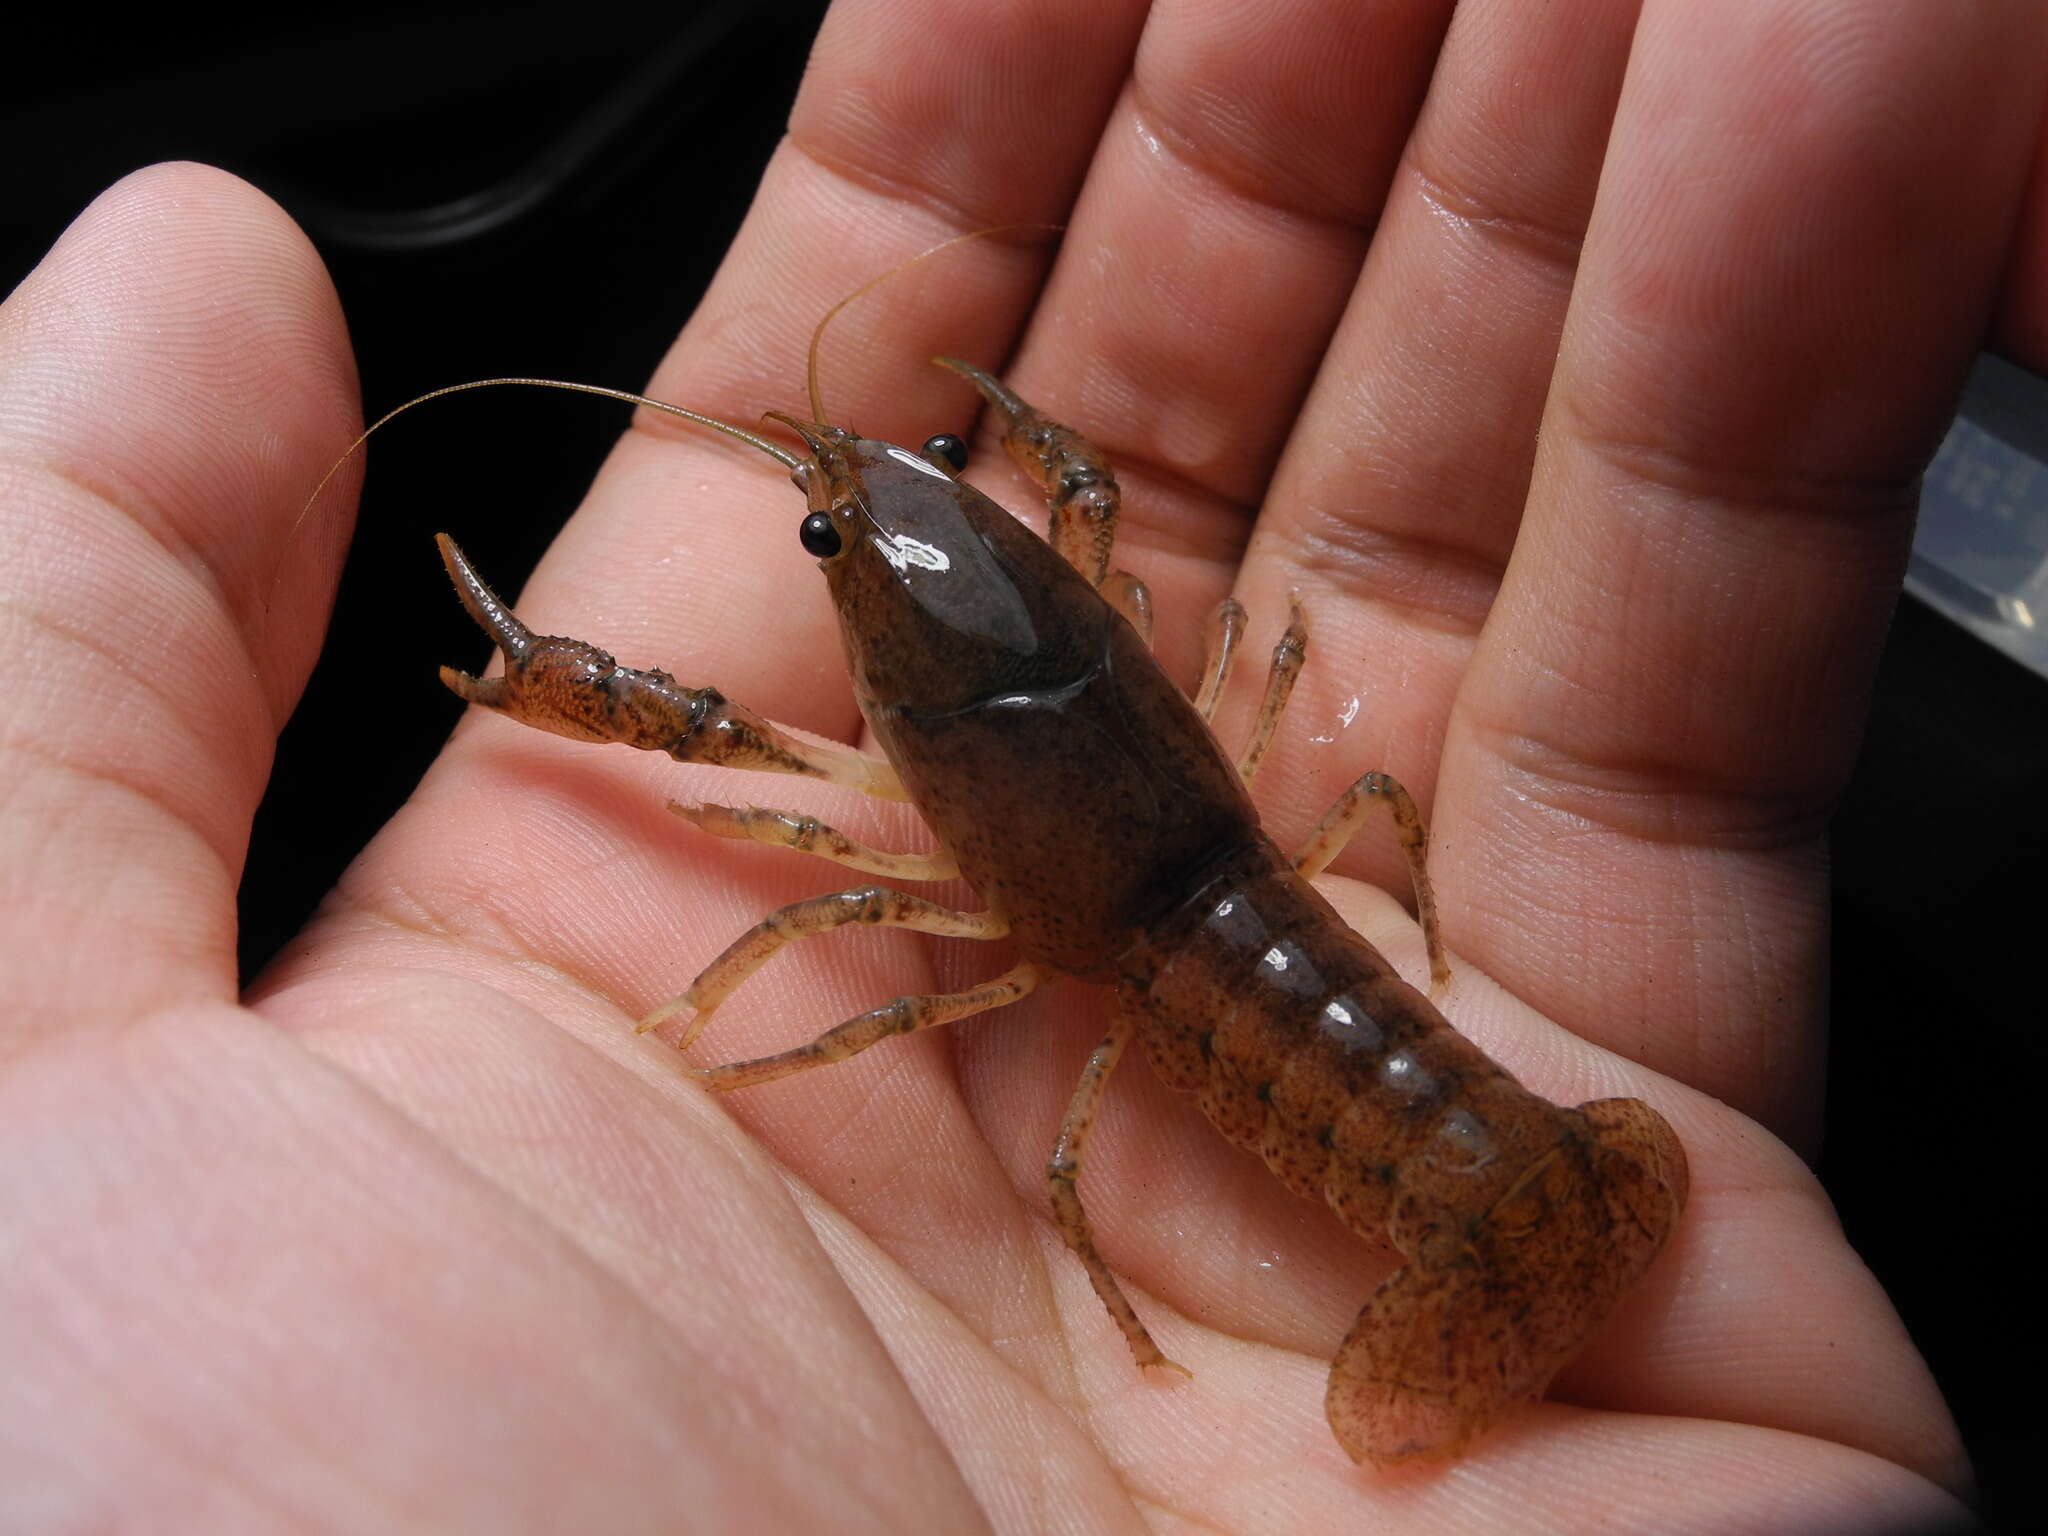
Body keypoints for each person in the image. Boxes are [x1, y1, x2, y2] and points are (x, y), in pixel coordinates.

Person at [2, 0, 2037, 1527]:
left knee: (780, 837)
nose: (872, 506)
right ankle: (1504, 1179)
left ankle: (1484, 1212)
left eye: (885, 501)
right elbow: (1077, 491)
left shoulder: (896, 735)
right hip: (1290, 936)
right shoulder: (1079, 576)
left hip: (1227, 979)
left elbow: (796, 822)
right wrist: (952, 482)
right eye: (859, 513)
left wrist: (653, 823)